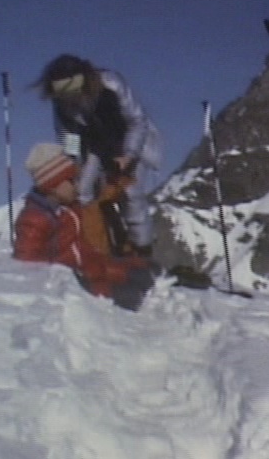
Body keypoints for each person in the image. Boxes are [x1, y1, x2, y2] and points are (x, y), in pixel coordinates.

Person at [34, 54, 162, 259]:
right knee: (82, 192)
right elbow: (69, 138)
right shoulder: (61, 104)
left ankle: (142, 251)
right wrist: (72, 169)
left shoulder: (111, 85)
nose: (69, 99)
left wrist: (129, 155)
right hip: (96, 146)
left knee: (130, 194)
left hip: (131, 140)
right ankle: (93, 246)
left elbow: (137, 121)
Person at [13, 142, 153, 311]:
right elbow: (27, 265)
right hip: (69, 284)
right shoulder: (35, 219)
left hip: (86, 269)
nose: (78, 186)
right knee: (131, 296)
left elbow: (81, 249)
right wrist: (61, 279)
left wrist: (114, 265)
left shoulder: (69, 210)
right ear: (53, 185)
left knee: (141, 274)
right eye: (72, 181)